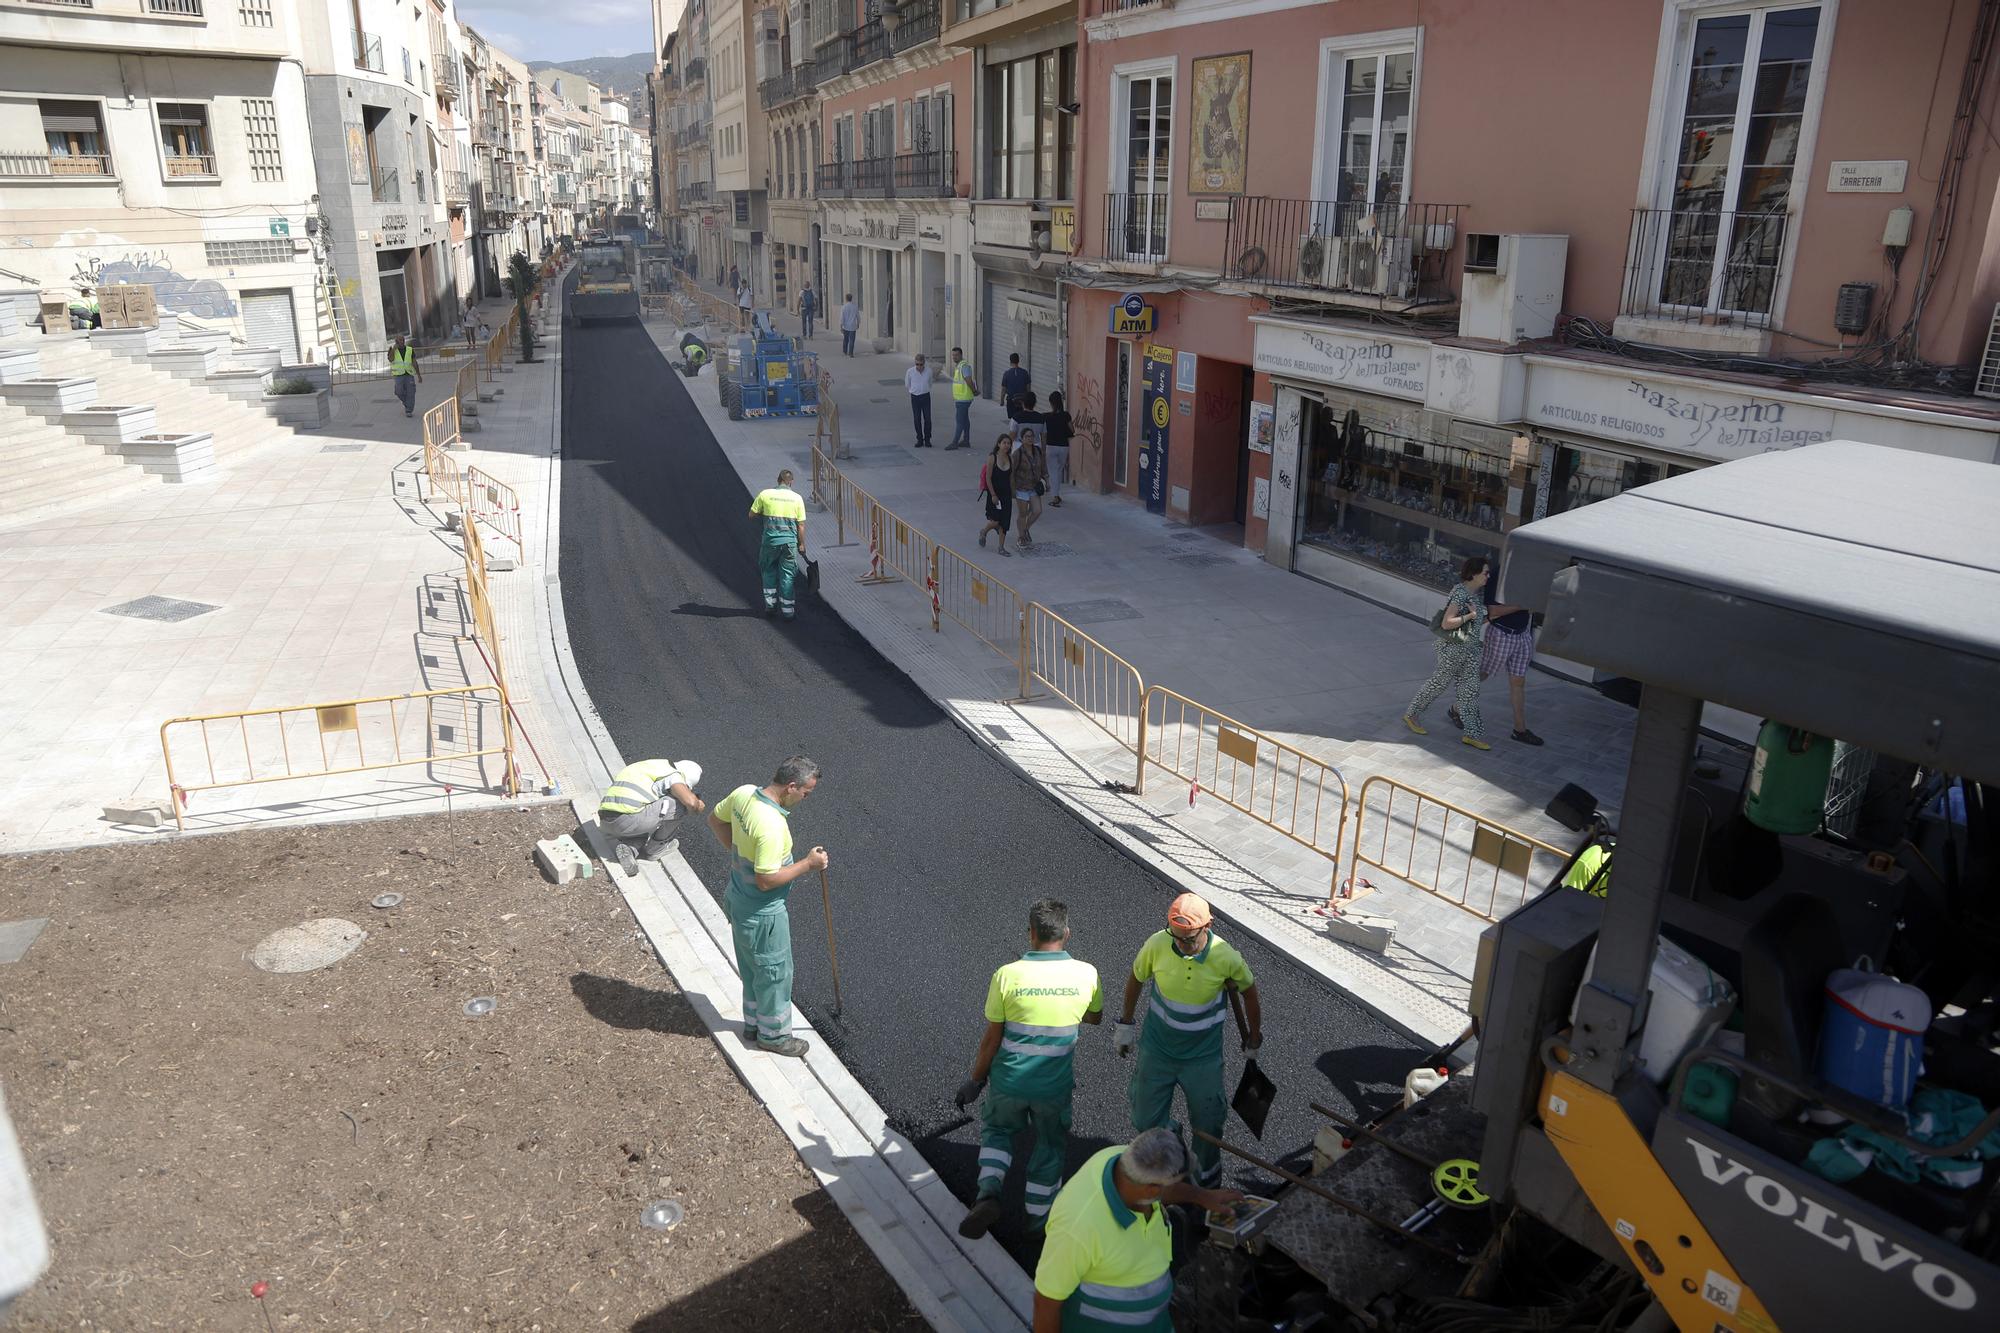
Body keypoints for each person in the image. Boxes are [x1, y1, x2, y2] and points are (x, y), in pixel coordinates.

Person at [954, 898, 1104, 1239]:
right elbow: (1093, 1016)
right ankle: (1039, 1224)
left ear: (1030, 934)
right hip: (1054, 1086)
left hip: (1009, 1081)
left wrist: (976, 1080)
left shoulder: (1007, 976)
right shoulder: (1086, 974)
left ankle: (988, 1194)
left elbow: (992, 1038)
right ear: (1067, 933)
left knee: (999, 1132)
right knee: (1050, 1147)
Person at [1113, 893, 1260, 1191]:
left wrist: (1254, 1035)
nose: (1181, 945)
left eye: (1188, 938)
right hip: (1158, 1051)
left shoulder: (1226, 957)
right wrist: (1125, 1024)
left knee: (1209, 1124)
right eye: (1176, 937)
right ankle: (1174, 1146)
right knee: (1144, 1120)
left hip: (1201, 1059)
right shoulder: (1157, 944)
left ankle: (1205, 1183)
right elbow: (1136, 978)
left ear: (1208, 926)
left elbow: (1249, 993)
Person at [1032, 1128, 1242, 1333]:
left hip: (1155, 1321)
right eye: (1175, 1183)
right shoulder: (1078, 1229)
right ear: (1152, 1189)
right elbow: (1046, 1303)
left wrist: (1202, 1196)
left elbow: (1162, 1187)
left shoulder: (1123, 1161)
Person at [706, 757, 828, 1059]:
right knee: (774, 974)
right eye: (806, 792)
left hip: (737, 898)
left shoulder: (743, 793)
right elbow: (766, 880)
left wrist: (738, 856)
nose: (806, 798)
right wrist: (808, 864)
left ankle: (753, 1025)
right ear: (791, 787)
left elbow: (715, 820)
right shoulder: (772, 826)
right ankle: (773, 1036)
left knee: (751, 968)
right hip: (763, 915)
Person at [1403, 555, 1491, 750]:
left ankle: (1472, 734)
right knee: (1438, 684)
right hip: (1453, 649)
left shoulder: (1476, 594)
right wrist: (1472, 615)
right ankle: (1412, 715)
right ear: (1474, 574)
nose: (1488, 576)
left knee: (1470, 691)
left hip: (1470, 651)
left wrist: (1482, 618)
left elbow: (1475, 623)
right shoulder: (1461, 593)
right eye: (1485, 572)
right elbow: (1447, 622)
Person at [1456, 569, 1543, 746]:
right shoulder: (1497, 574)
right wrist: (1523, 606)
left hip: (1522, 635)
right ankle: (1456, 709)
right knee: (1483, 673)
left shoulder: (1532, 572)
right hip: (1501, 634)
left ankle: (1520, 730)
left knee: (1518, 681)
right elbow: (1492, 610)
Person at [598, 759, 706, 876]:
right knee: (678, 805)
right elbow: (690, 803)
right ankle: (656, 849)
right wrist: (697, 805)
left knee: (648, 817)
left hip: (606, 821)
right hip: (627, 820)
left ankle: (631, 849)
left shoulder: (652, 766)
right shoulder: (674, 775)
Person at [750, 468, 808, 620]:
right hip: (789, 544)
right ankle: (788, 612)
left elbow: (751, 514)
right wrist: (802, 545)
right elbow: (801, 525)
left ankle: (770, 605)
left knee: (768, 571)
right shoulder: (797, 498)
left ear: (778, 480)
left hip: (770, 542)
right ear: (791, 482)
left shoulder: (765, 494)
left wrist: (765, 513)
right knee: (787, 575)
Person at [979, 433, 1015, 556]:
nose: (1006, 445)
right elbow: (988, 477)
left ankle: (1001, 547)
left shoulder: (1011, 458)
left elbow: (1011, 478)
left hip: (1006, 494)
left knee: (1004, 522)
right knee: (995, 521)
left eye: (1008, 443)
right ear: (999, 444)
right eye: (1004, 443)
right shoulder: (992, 457)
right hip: (994, 494)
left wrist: (1013, 492)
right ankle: (984, 531)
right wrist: (993, 494)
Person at [1012, 427, 1044, 548]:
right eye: (1027, 436)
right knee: (1023, 513)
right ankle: (1021, 537)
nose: (1030, 438)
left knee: (1037, 511)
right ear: (1022, 438)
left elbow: (1042, 466)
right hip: (1021, 488)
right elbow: (1012, 472)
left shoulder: (1038, 451)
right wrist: (1012, 489)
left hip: (1034, 487)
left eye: (1031, 436)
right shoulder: (1017, 454)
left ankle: (1025, 529)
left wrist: (1046, 478)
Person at [949, 346, 977, 449]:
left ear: (961, 355)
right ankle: (966, 441)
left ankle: (954, 443)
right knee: (965, 420)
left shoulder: (964, 366)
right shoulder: (959, 366)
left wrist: (974, 391)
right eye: (953, 355)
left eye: (956, 355)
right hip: (961, 398)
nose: (954, 357)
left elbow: (968, 380)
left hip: (963, 399)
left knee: (959, 421)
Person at [905, 352, 934, 448]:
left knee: (928, 419)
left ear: (924, 363)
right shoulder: (910, 371)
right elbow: (907, 384)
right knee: (917, 419)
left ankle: (927, 439)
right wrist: (912, 391)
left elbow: (930, 383)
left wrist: (925, 389)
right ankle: (919, 439)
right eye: (917, 364)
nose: (919, 366)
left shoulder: (929, 371)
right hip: (915, 397)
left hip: (925, 396)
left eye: (921, 364)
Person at [390, 333, 422, 418]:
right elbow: (390, 359)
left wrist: (418, 375)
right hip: (398, 375)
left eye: (403, 340)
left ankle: (409, 410)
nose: (402, 342)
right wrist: (393, 349)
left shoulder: (409, 349)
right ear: (396, 341)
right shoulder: (392, 350)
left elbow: (414, 362)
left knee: (411, 392)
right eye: (400, 340)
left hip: (409, 373)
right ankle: (407, 403)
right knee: (399, 392)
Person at [1000, 353, 1031, 421]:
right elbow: (1028, 389)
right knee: (1022, 419)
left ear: (1010, 362)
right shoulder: (1025, 373)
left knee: (1013, 420)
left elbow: (1003, 389)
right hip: (1022, 401)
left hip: (1011, 400)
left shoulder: (1006, 374)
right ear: (1018, 361)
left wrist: (1002, 400)